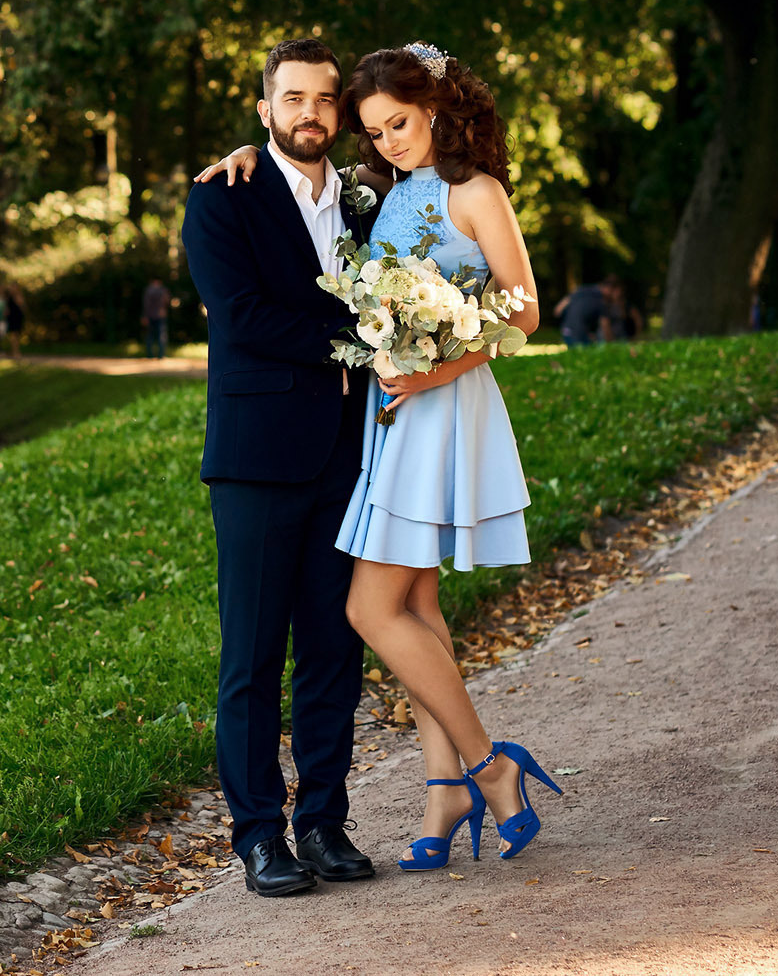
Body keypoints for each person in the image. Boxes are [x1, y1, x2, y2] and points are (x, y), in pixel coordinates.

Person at [199, 42, 563, 874]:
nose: (386, 139)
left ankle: (445, 781)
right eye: (375, 129)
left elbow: (521, 308)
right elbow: (259, 282)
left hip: (406, 418)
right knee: (360, 623)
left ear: (433, 108)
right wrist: (252, 146)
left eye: (395, 121)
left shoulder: (426, 193)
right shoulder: (321, 193)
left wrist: (424, 363)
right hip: (332, 433)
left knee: (359, 622)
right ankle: (394, 802)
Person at [180, 37, 382, 897]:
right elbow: (242, 316)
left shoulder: (369, 201)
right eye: (292, 98)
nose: (310, 112)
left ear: (340, 110)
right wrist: (360, 339)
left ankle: (324, 821)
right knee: (254, 658)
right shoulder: (222, 196)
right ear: (266, 109)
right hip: (257, 459)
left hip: (348, 454)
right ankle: (259, 834)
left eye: (325, 98)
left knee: (335, 647)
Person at [553, 276, 617, 348]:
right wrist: (611, 344)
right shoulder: (601, 301)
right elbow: (605, 325)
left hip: (566, 331)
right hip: (579, 334)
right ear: (608, 288)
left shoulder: (582, 289)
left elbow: (557, 310)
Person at [141, 277, 172, 358]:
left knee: (150, 335)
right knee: (161, 335)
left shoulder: (148, 290)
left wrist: (145, 316)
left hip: (150, 315)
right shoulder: (163, 290)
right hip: (161, 315)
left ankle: (149, 355)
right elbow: (167, 301)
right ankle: (161, 355)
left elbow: (146, 304)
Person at [3, 284, 26, 359]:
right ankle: (13, 351)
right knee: (12, 335)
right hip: (11, 318)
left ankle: (16, 352)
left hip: (17, 317)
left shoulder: (18, 296)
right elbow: (6, 308)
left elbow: (22, 306)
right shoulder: (8, 297)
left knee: (16, 335)